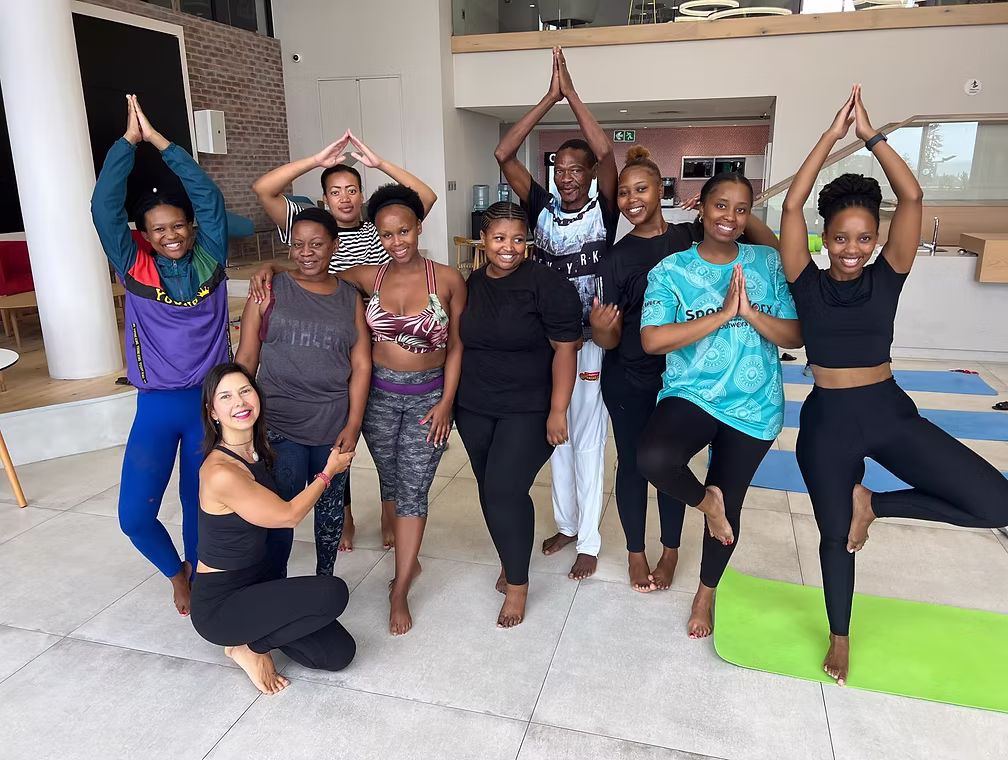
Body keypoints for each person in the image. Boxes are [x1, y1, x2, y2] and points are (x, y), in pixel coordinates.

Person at [779, 85, 1008, 686]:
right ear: (823, 238)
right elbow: (791, 205)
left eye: (863, 237)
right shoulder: (804, 277)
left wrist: (872, 137)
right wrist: (829, 139)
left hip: (888, 413)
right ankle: (840, 635)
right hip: (827, 422)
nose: (852, 249)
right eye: (840, 237)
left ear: (875, 240)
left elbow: (911, 194)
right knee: (833, 540)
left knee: (996, 502)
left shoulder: (889, 275)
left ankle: (873, 503)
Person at [593, 147, 782, 593]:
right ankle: (636, 552)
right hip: (632, 378)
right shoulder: (616, 259)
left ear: (664, 191)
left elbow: (769, 248)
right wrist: (602, 332)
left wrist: (731, 203)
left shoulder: (688, 237)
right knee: (634, 466)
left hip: (686, 379)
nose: (632, 199)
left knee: (675, 466)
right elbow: (611, 337)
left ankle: (672, 548)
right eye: (623, 192)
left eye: (642, 189)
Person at [250, 130, 438, 552]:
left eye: (352, 189)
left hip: (379, 348)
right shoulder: (312, 228)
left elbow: (424, 197)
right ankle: (345, 513)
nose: (345, 198)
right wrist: (316, 159)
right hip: (335, 350)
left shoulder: (379, 231)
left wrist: (379, 163)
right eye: (335, 191)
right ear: (324, 199)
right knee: (339, 435)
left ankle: (391, 511)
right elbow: (265, 191)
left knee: (383, 444)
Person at [636, 172, 803, 638]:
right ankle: (707, 502)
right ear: (701, 208)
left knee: (734, 498)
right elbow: (652, 340)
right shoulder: (670, 271)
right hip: (694, 393)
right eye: (720, 206)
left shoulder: (766, 263)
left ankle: (706, 593)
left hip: (755, 403)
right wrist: (723, 315)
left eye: (740, 209)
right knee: (654, 459)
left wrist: (750, 312)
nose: (729, 217)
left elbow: (796, 335)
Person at [91, 95, 231, 616]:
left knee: (201, 505)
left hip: (207, 404)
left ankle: (196, 572)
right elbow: (103, 206)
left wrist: (163, 144)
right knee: (134, 515)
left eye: (178, 225)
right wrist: (128, 143)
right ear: (144, 237)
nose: (170, 235)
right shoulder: (133, 265)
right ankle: (175, 571)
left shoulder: (212, 254)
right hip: (155, 407)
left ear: (191, 227)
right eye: (158, 229)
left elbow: (208, 195)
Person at [495, 47, 618, 581]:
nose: (567, 177)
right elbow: (504, 152)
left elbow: (608, 149)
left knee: (588, 439)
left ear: (590, 175)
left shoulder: (604, 209)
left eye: (576, 169)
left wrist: (572, 94)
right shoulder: (541, 206)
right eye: (560, 169)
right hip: (542, 342)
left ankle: (589, 538)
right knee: (557, 435)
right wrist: (548, 98)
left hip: (588, 341)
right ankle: (567, 523)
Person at [336, 183, 466, 635]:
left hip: (430, 398)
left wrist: (448, 402)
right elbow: (312, 273)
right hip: (378, 398)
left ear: (419, 227)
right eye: (387, 235)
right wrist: (272, 267)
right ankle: (409, 559)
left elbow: (457, 345)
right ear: (378, 235)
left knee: (413, 489)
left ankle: (400, 589)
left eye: (405, 232)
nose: (397, 243)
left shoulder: (447, 279)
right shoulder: (368, 276)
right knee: (391, 479)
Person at [191, 363, 356, 695]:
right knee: (332, 593)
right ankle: (247, 647)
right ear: (213, 412)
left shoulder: (256, 451)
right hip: (222, 604)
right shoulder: (220, 471)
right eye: (226, 397)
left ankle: (256, 637)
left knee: (339, 653)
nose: (239, 402)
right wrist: (328, 472)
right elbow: (287, 516)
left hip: (257, 582)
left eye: (245, 391)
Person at [456, 203, 582, 628]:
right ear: (484, 240)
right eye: (498, 238)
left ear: (527, 240)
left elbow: (566, 348)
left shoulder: (546, 284)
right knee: (490, 490)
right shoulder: (474, 281)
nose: (508, 248)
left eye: (516, 239)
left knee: (505, 491)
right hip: (474, 405)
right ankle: (511, 558)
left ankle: (518, 584)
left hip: (528, 407)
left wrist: (558, 410)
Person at [235, 206, 371, 578]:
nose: (306, 252)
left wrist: (354, 423)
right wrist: (235, 419)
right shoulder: (269, 290)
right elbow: (247, 356)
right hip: (280, 423)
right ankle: (273, 586)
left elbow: (361, 365)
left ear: (335, 245)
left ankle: (323, 584)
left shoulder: (349, 297)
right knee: (280, 511)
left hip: (333, 425)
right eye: (298, 245)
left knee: (329, 516)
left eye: (316, 244)